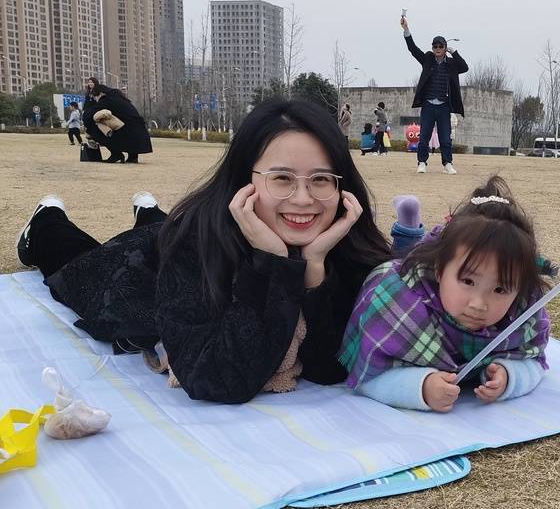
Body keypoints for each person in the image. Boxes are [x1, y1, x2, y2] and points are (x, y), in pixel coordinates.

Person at [16, 98, 393, 404]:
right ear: (245, 180)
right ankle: (47, 220)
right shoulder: (197, 241)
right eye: (281, 178)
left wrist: (312, 269)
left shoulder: (349, 246)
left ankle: (148, 210)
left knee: (156, 224)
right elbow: (217, 378)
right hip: (145, 277)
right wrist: (271, 264)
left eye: (321, 179)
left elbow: (329, 367)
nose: (302, 198)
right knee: (76, 261)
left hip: (175, 238)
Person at [339, 176, 554, 413]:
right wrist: (421, 387)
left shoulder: (523, 311)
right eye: (468, 281)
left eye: (500, 289)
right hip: (415, 269)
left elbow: (535, 362)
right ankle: (407, 226)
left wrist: (509, 375)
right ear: (440, 270)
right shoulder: (400, 300)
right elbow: (368, 374)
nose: (479, 303)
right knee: (403, 252)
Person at [400, 15, 468, 175]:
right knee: (424, 136)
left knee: (445, 137)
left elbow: (464, 68)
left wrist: (454, 52)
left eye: (441, 46)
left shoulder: (452, 64)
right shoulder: (427, 59)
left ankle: (447, 163)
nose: (437, 49)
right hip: (429, 105)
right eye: (435, 46)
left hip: (444, 106)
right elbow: (413, 49)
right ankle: (422, 162)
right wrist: (406, 30)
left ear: (445, 48)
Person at [83, 77, 153, 164]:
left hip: (130, 131)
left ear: (100, 94)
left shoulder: (106, 100)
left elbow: (88, 115)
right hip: (139, 131)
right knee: (125, 128)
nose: (95, 99)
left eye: (95, 96)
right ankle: (132, 156)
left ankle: (116, 154)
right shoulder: (118, 97)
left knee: (94, 129)